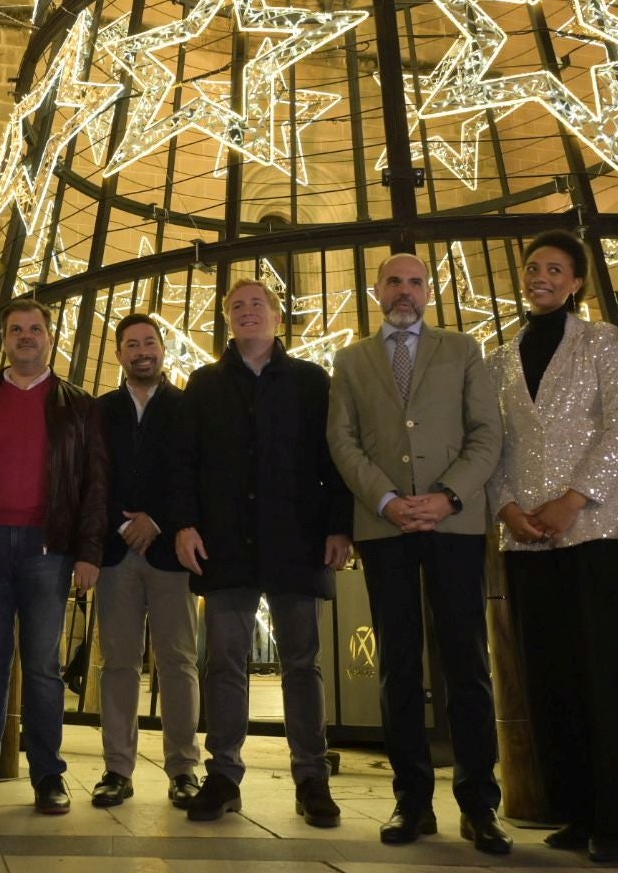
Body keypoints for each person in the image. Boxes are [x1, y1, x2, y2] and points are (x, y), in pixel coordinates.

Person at [327, 253, 507, 853]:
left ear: (430, 292)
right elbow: (341, 438)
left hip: (453, 525)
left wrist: (448, 496)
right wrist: (383, 500)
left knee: (467, 664)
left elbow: (487, 432)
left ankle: (480, 803)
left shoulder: (463, 350)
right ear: (375, 290)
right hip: (387, 531)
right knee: (397, 664)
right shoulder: (350, 360)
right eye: (394, 282)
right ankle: (412, 801)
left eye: (416, 282)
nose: (405, 292)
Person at [488, 229, 618, 863]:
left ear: (577, 281)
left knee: (607, 678)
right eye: (533, 267)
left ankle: (617, 817)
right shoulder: (502, 355)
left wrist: (572, 499)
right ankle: (576, 809)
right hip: (527, 536)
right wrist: (507, 506)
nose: (541, 277)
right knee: (550, 678)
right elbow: (495, 442)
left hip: (597, 528)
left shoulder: (602, 341)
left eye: (555, 269)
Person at [172, 279, 350, 828]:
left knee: (302, 663)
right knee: (224, 661)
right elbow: (185, 463)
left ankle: (310, 776)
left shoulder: (311, 382)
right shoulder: (203, 384)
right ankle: (223, 775)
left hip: (295, 538)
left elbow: (334, 458)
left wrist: (339, 527)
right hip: (225, 542)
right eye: (237, 306)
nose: (247, 312)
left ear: (277, 316)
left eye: (258, 305)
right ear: (227, 319)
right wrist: (184, 525)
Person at [0, 299, 107, 816]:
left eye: (36, 328)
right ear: (5, 340)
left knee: (42, 668)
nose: (26, 337)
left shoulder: (77, 405)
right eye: (17, 330)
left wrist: (89, 552)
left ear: (50, 337)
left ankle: (48, 776)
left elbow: (94, 484)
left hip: (47, 550)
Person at [91, 314, 200, 810]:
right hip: (117, 554)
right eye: (131, 344)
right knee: (118, 663)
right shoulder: (100, 411)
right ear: (118, 354)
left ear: (163, 349)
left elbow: (197, 476)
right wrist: (121, 523)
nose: (142, 351)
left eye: (149, 342)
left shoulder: (187, 407)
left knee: (178, 662)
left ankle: (183, 769)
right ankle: (117, 769)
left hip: (170, 551)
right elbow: (90, 477)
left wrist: (158, 520)